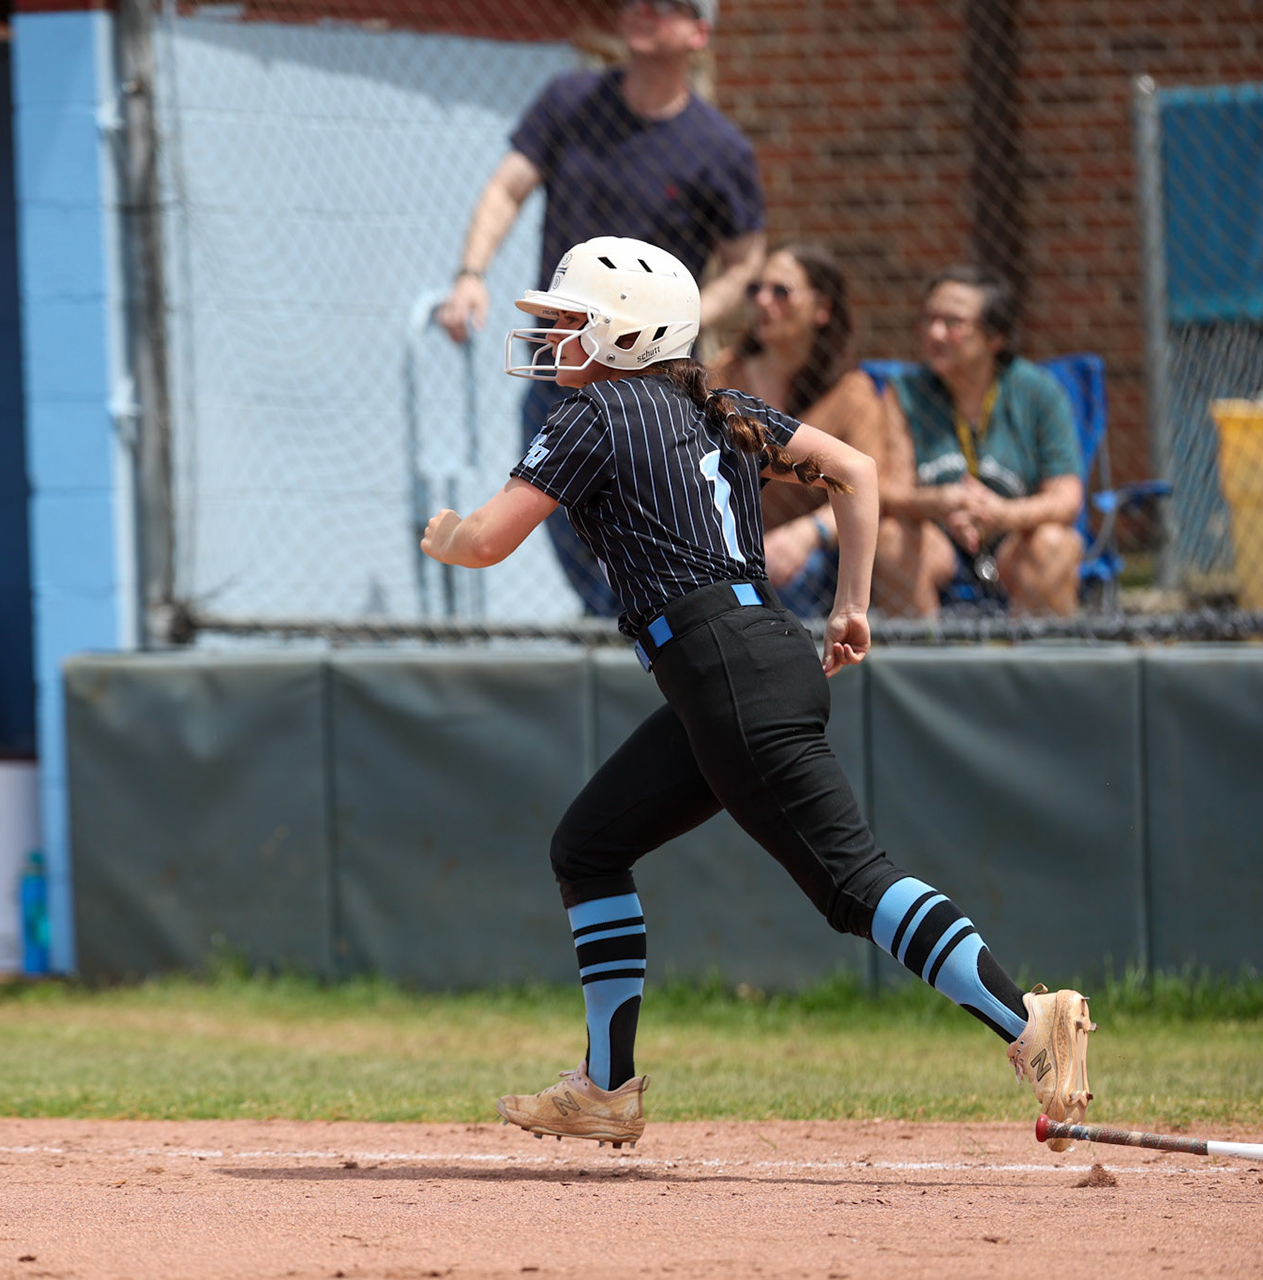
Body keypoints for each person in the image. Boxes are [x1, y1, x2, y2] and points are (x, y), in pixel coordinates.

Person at [418, 236, 1096, 1152]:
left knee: (851, 885)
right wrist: (852, 605)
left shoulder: (593, 417)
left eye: (575, 322)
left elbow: (492, 540)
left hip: (725, 670)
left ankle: (1029, 1021)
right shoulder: (718, 404)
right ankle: (607, 1088)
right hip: (749, 659)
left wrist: (450, 537)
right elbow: (857, 471)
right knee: (590, 844)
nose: (558, 340)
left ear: (627, 336)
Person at [435, 0, 765, 617]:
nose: (643, 11)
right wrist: (471, 274)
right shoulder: (570, 100)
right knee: (552, 506)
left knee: (642, 511)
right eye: (637, 1)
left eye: (668, 5)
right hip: (563, 357)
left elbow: (747, 262)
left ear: (699, 32)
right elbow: (508, 186)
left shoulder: (719, 148)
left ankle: (655, 620)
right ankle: (610, 622)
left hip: (652, 375)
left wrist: (679, 322)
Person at [876, 266, 1085, 617]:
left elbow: (1067, 498)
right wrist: (940, 501)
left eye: (953, 322)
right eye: (928, 319)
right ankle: (921, 661)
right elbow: (890, 490)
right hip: (936, 536)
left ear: (994, 337)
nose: (935, 332)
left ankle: (1039, 666)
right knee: (890, 538)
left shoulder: (1039, 392)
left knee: (1055, 543)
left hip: (1012, 538)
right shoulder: (906, 393)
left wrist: (1003, 514)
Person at [709, 244, 887, 619]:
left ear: (822, 309)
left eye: (781, 291)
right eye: (756, 289)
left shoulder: (851, 393)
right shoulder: (724, 374)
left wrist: (807, 534)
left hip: (806, 557)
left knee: (801, 571)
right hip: (719, 546)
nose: (762, 300)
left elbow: (873, 486)